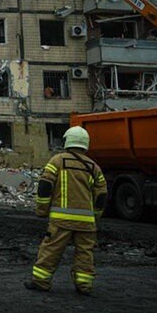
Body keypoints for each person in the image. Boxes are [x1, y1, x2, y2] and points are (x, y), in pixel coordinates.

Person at [25, 126, 107, 295]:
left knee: (51, 250)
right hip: (87, 223)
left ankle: (41, 281)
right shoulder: (94, 167)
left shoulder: (57, 161)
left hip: (61, 221)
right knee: (85, 253)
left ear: (67, 141)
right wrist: (96, 217)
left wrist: (42, 210)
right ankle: (84, 286)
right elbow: (101, 196)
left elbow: (45, 186)